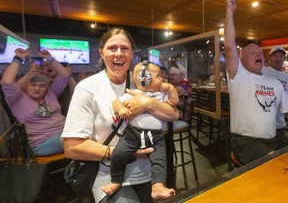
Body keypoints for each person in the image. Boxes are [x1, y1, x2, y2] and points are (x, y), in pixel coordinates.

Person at [61, 28, 179, 203]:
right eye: (112, 48)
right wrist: (124, 153)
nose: (118, 54)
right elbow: (72, 147)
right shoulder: (88, 88)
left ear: (132, 54)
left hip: (147, 173)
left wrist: (148, 103)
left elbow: (174, 114)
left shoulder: (142, 83)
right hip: (107, 175)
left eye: (124, 49)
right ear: (102, 53)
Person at [101, 61, 178, 199]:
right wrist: (122, 109)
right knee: (118, 154)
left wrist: (171, 88)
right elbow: (116, 102)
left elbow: (174, 103)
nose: (162, 78)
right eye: (158, 75)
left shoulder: (161, 94)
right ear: (144, 79)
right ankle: (116, 180)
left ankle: (157, 186)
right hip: (133, 133)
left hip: (156, 135)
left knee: (160, 159)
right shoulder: (134, 93)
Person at [224, 0, 288, 165]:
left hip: (274, 139)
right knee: (275, 164)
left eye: (260, 52)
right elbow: (230, 47)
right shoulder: (239, 76)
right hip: (246, 142)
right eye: (252, 53)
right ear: (242, 60)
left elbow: (286, 112)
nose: (258, 54)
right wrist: (229, 11)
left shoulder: (275, 82)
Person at [1, 48, 70, 156]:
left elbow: (65, 75)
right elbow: (6, 82)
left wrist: (50, 58)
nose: (37, 88)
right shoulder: (18, 99)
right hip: (43, 143)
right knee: (82, 137)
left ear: (47, 87)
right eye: (33, 85)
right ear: (26, 85)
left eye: (42, 85)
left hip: (66, 133)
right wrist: (18, 58)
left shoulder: (51, 93)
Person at [262, 46, 288, 139]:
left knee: (279, 151)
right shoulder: (262, 71)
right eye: (275, 56)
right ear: (269, 57)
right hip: (262, 124)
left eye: (281, 56)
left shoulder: (286, 77)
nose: (278, 58)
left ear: (284, 58)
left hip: (279, 124)